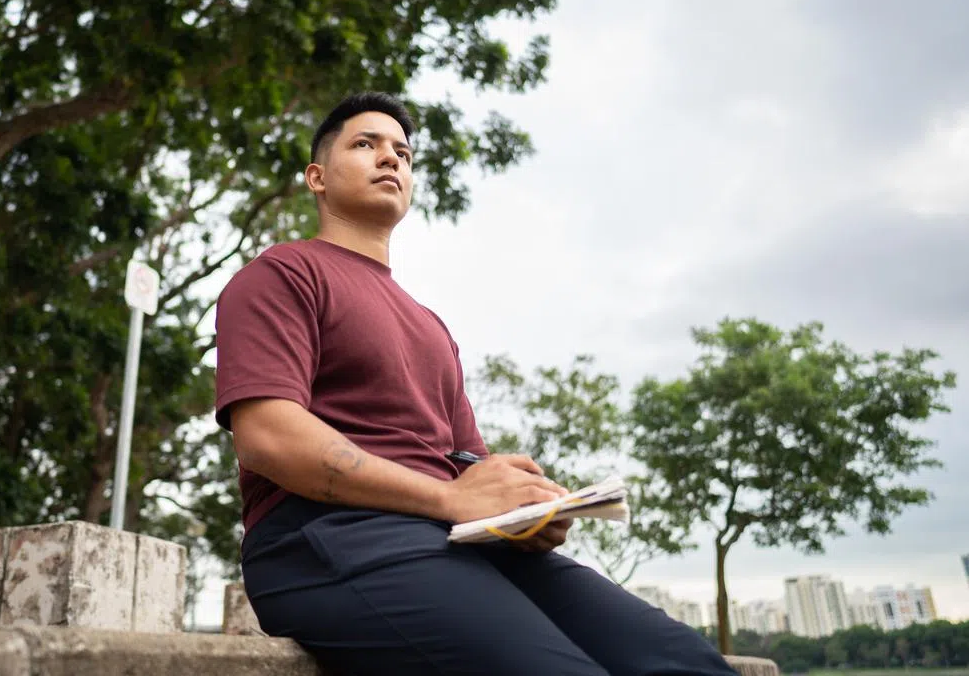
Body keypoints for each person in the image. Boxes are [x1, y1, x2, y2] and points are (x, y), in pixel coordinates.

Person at [213, 92, 737, 676]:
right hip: (324, 539)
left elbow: (468, 469)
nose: (391, 158)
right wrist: (448, 498)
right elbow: (269, 438)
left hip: (456, 544)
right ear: (317, 177)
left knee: (686, 661)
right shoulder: (283, 273)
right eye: (366, 144)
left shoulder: (430, 324)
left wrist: (523, 515)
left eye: (403, 153)